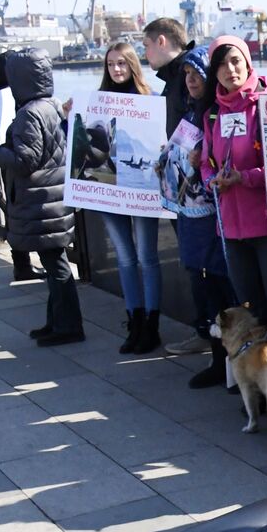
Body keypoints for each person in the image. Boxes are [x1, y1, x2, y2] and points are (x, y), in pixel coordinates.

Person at [200, 36, 267, 340]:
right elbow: (207, 162)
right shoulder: (213, 114)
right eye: (221, 65)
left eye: (235, 61)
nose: (230, 70)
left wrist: (245, 178)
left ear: (247, 62)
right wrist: (210, 181)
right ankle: (257, 378)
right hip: (230, 228)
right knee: (249, 311)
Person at [0, 48, 83, 346]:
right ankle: (55, 321)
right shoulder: (52, 105)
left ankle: (67, 327)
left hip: (42, 200)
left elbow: (24, 161)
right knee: (54, 261)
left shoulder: (29, 112)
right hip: (53, 196)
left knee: (56, 266)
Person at [159, 44, 236, 387]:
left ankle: (234, 370)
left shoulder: (220, 113)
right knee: (202, 287)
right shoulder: (192, 112)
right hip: (191, 216)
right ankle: (218, 363)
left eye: (197, 73)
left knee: (225, 290)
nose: (190, 80)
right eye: (186, 74)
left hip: (218, 219)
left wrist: (202, 160)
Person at [86, 43, 163, 354]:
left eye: (121, 63)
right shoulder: (98, 102)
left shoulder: (152, 100)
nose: (116, 69)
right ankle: (135, 320)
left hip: (141, 188)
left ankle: (151, 326)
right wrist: (69, 118)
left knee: (147, 257)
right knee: (125, 258)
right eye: (111, 64)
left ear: (133, 65)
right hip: (110, 189)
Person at [0, 52, 46, 281]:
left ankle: (21, 262)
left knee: (13, 212)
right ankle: (27, 263)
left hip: (4, 161)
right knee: (27, 211)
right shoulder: (21, 98)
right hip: (21, 164)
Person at [142, 17, 195, 136]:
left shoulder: (188, 77)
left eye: (146, 46)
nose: (144, 54)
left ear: (161, 42)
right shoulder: (175, 76)